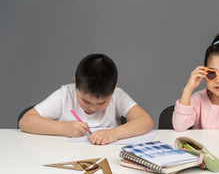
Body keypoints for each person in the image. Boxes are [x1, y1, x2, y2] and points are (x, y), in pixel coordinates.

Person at [19, 54, 154, 145]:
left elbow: (145, 121)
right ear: (76, 83)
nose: (93, 108)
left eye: (102, 102)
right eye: (86, 101)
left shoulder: (117, 95)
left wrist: (114, 133)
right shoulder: (64, 95)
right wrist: (64, 128)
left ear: (114, 88)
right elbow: (26, 121)